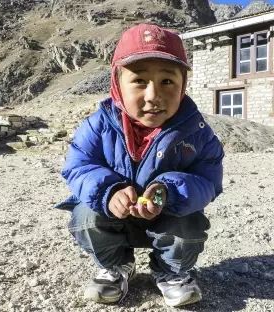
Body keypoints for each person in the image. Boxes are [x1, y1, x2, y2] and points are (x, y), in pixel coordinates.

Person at [55, 23, 224, 307]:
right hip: (113, 215)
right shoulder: (97, 125)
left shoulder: (197, 131)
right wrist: (109, 192)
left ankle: (170, 271)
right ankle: (117, 266)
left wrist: (169, 193)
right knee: (84, 217)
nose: (153, 96)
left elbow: (208, 179)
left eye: (167, 82)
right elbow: (78, 165)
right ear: (117, 84)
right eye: (139, 81)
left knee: (191, 224)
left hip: (170, 215)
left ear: (183, 86)